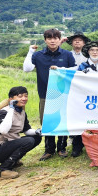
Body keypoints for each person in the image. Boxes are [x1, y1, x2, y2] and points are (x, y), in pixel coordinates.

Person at [23, 28, 75, 161]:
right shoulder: (38, 55)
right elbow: (27, 68)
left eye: (55, 38)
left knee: (62, 119)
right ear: (45, 40)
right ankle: (49, 149)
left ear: (59, 39)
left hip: (63, 93)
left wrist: (61, 69)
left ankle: (62, 147)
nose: (52, 41)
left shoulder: (67, 54)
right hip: (45, 94)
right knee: (47, 121)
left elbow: (74, 70)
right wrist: (30, 52)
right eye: (49, 38)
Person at [0, 86, 42, 179]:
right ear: (11, 99)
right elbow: (3, 130)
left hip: (8, 145)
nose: (24, 98)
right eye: (20, 96)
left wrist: (36, 131)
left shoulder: (22, 112)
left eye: (26, 96)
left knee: (36, 138)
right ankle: (3, 170)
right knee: (28, 141)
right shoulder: (4, 112)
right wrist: (11, 108)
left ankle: (12, 161)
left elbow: (26, 130)